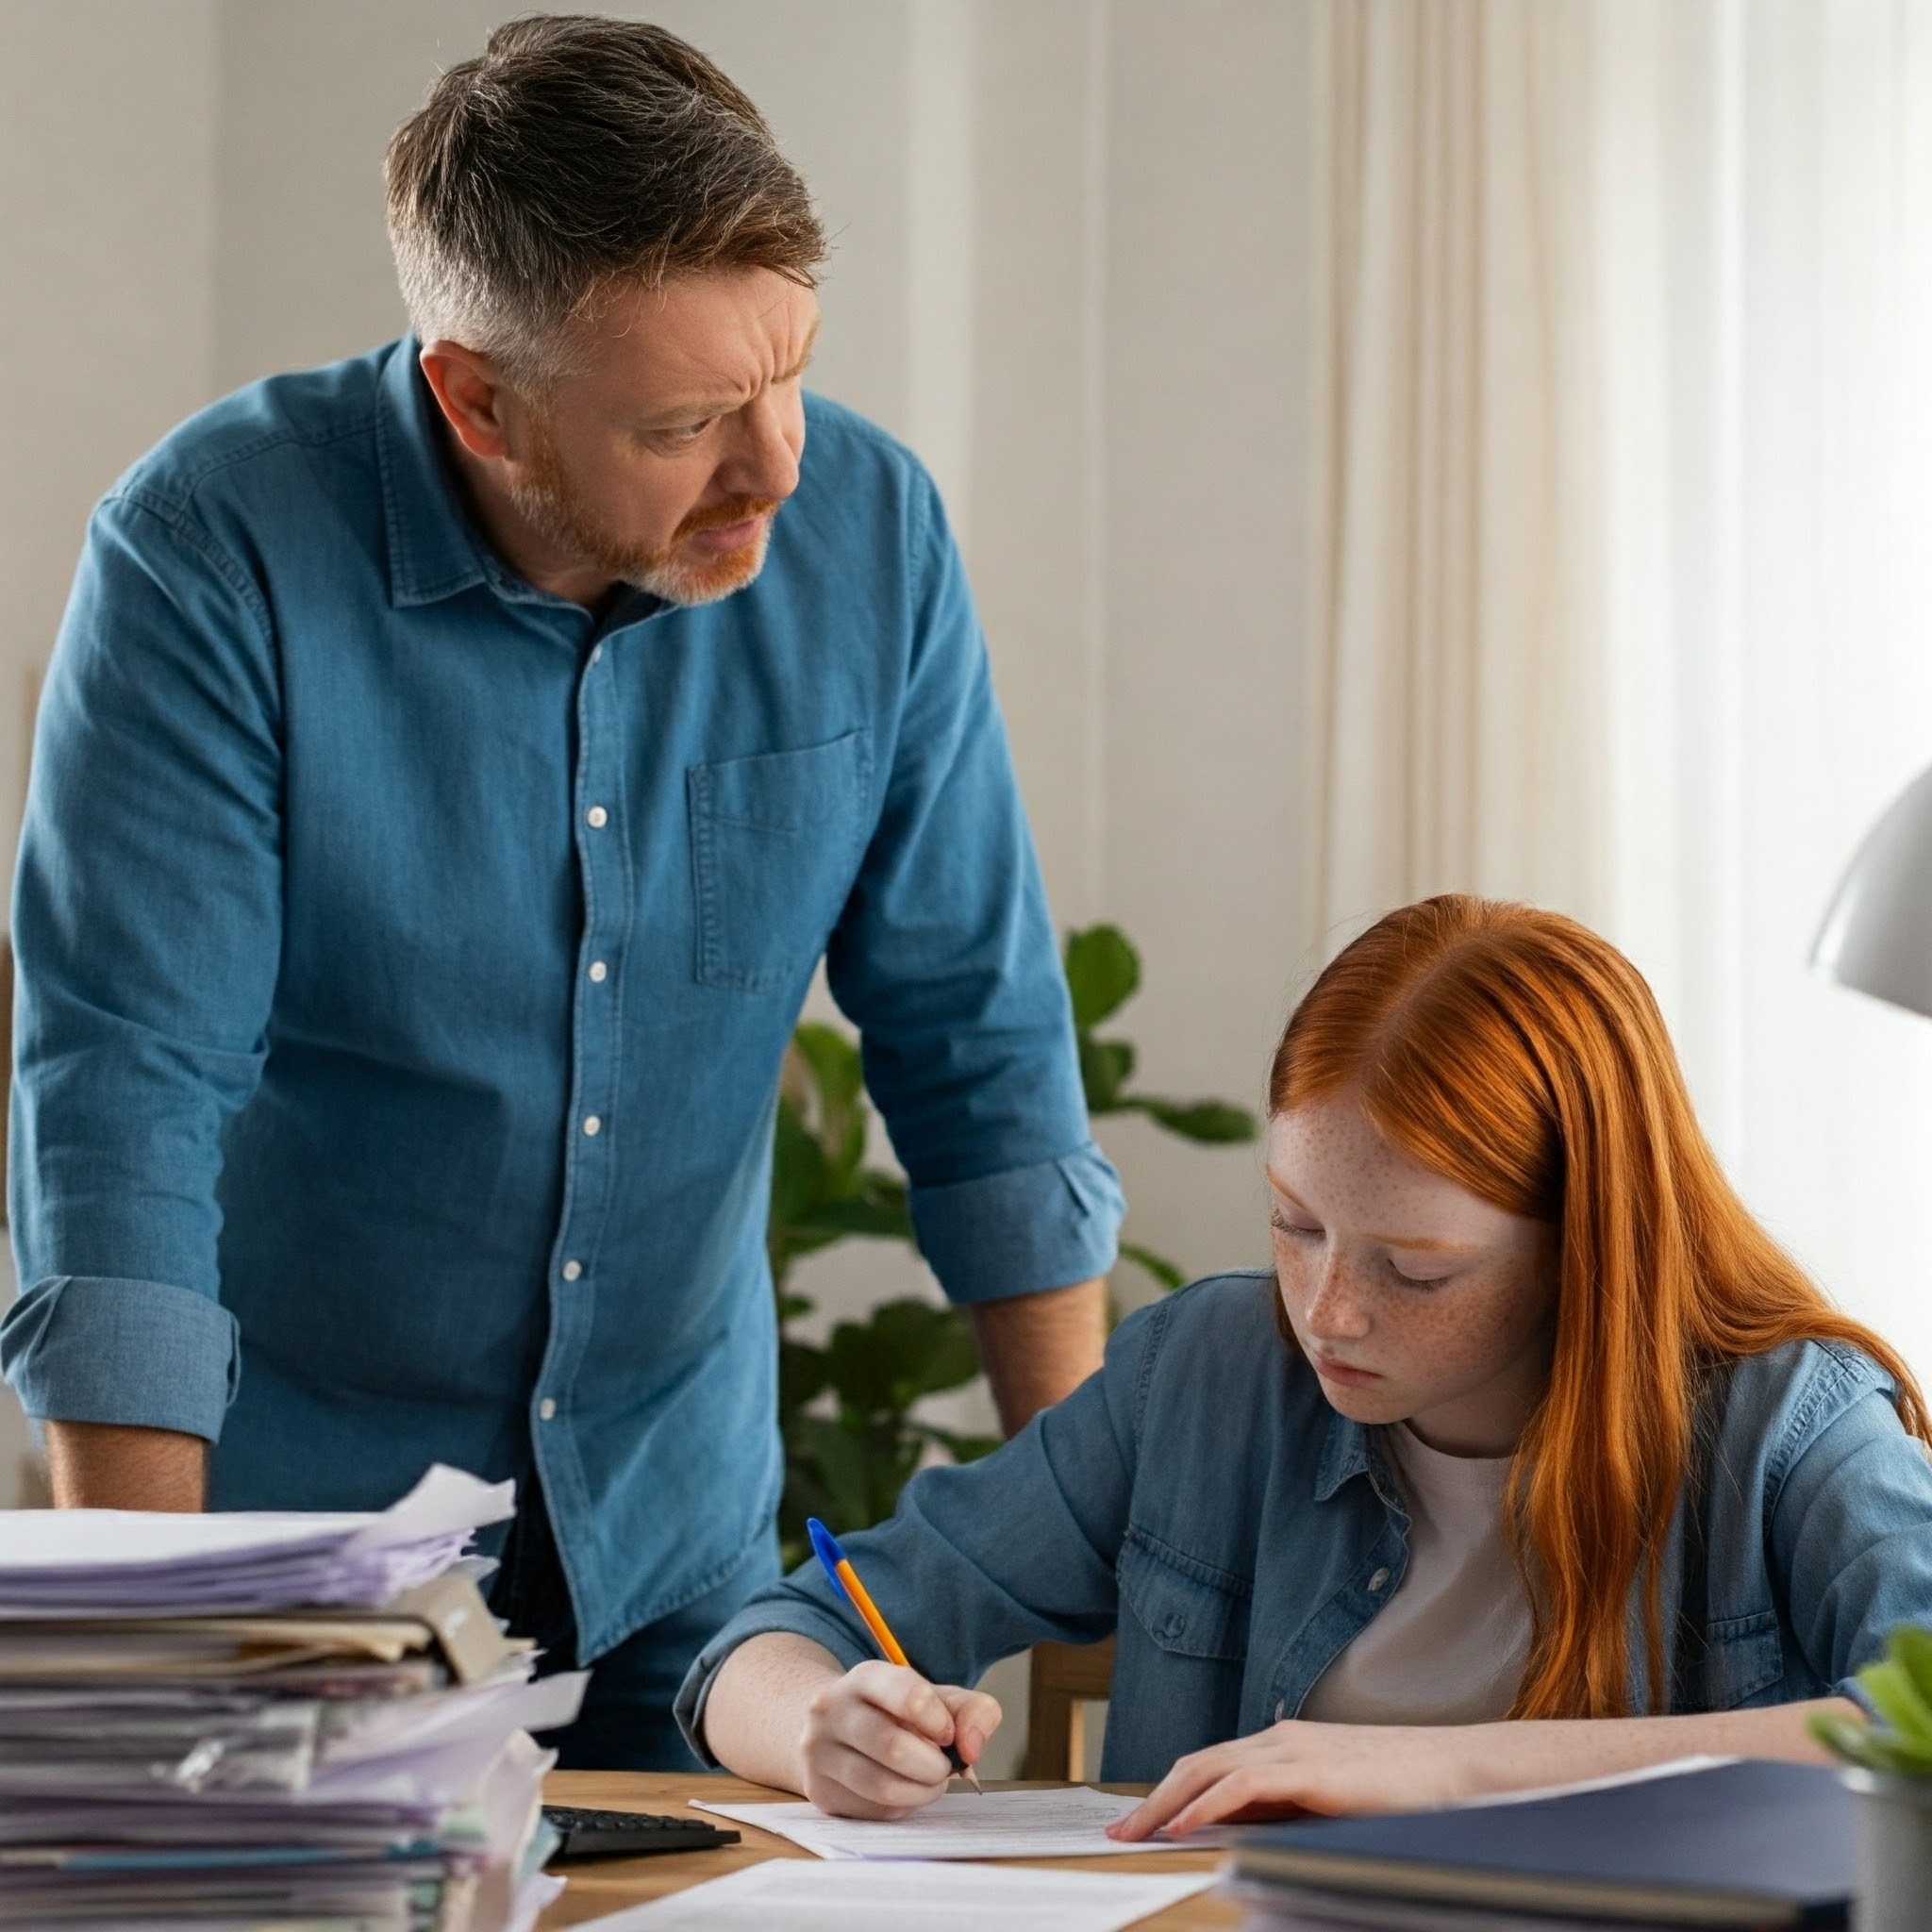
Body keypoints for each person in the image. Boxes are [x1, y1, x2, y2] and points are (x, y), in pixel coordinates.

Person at [0, 16, 1122, 1770]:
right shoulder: (209, 555)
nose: (778, 467)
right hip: (305, 1568)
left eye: (790, 375)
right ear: (478, 397)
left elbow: (980, 1043)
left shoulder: (872, 538)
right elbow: (123, 1101)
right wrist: (154, 1653)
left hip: (683, 1568)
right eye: (687, 422)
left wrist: (1114, 1577)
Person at [682, 893, 1932, 1830]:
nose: (1328, 1312)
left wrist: (1426, 1772)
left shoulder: (1792, 1427)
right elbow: (782, 1633)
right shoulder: (1206, 1375)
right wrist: (819, 1729)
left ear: (1584, 1246)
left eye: (1415, 1268)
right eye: (1295, 1226)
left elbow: (1916, 1735)